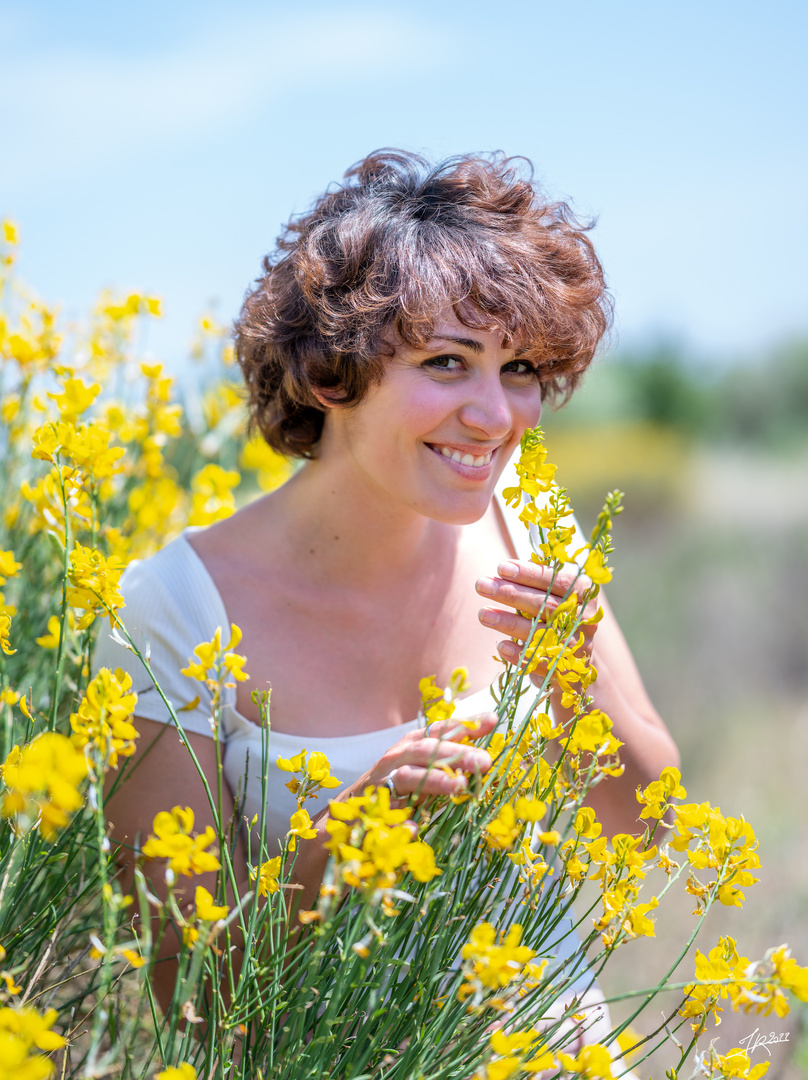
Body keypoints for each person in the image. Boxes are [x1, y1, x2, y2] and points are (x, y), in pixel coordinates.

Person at [97, 149, 679, 1047]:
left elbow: (652, 829)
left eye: (519, 369)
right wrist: (349, 837)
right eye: (449, 363)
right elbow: (194, 997)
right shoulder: (174, 608)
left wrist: (581, 683)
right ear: (334, 376)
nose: (497, 417)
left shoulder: (527, 518)